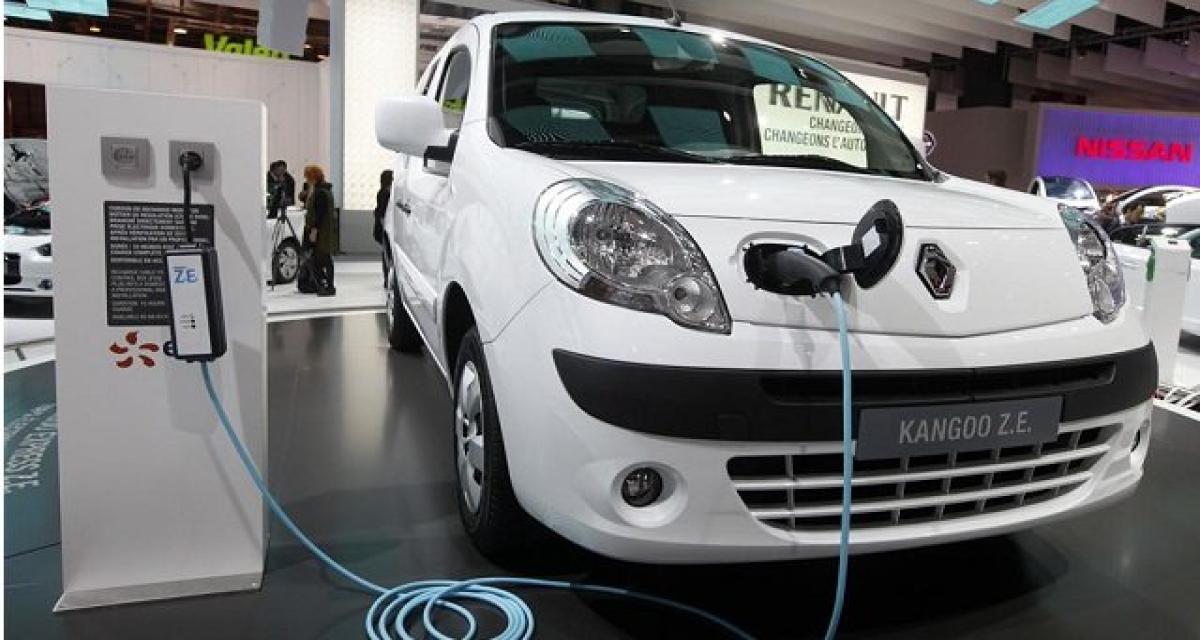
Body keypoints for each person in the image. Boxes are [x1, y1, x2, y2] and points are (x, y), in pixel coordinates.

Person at [302, 165, 336, 296]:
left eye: (308, 178)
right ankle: (327, 285)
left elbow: (319, 214)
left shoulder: (320, 193)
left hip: (321, 232)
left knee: (320, 260)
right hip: (325, 231)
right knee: (325, 259)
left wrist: (314, 230)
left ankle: (326, 286)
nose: (307, 180)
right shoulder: (325, 191)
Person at [374, 170, 393, 286]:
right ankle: (388, 279)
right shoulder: (386, 193)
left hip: (382, 226)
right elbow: (382, 212)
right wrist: (385, 229)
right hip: (384, 227)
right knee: (387, 254)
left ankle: (387, 278)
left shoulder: (382, 192)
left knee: (386, 253)